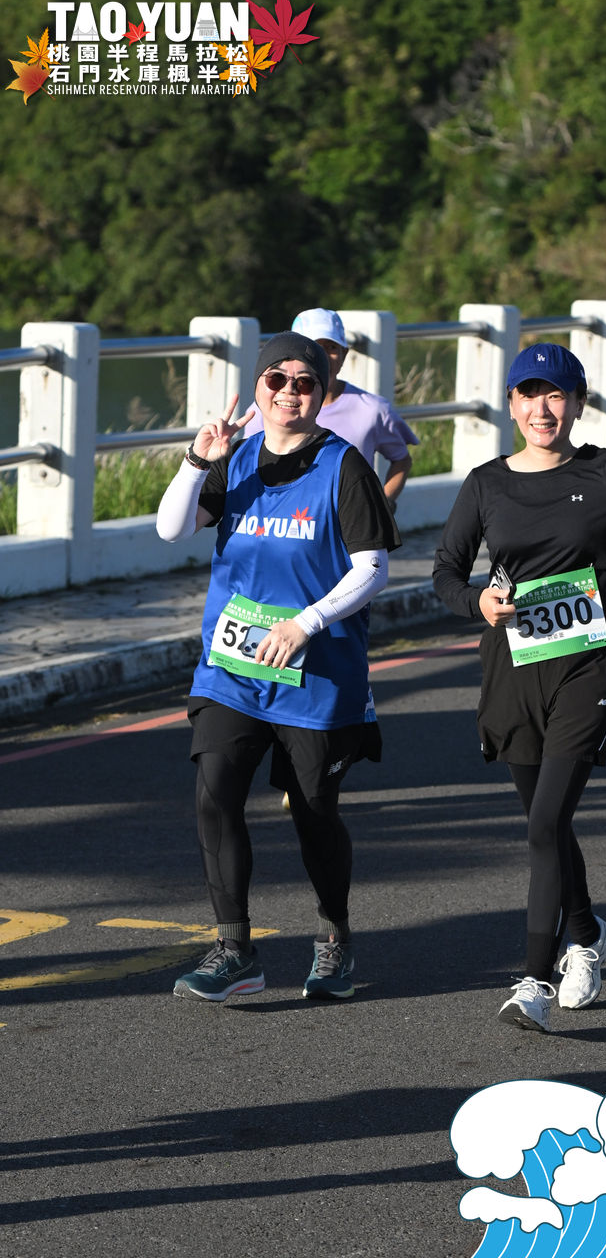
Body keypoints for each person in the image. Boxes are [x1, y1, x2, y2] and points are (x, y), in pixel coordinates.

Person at [433, 343, 606, 1033]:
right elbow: (444, 572)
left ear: (578, 404)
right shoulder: (485, 483)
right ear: (510, 405)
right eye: (529, 394)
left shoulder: (605, 471)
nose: (543, 409)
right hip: (512, 669)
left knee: (542, 824)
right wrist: (476, 602)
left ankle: (533, 980)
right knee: (549, 823)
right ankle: (587, 935)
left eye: (556, 395)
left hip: (586, 665)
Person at [156, 331, 400, 1004]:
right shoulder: (233, 460)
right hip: (232, 668)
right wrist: (195, 460)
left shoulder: (344, 466)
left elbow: (373, 568)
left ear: (321, 394)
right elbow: (171, 529)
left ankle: (334, 936)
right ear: (258, 387)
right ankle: (235, 950)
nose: (290, 392)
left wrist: (304, 624)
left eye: (305, 382)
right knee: (215, 793)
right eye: (277, 380)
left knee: (314, 813)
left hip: (317, 674)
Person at [244, 308, 419, 512]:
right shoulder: (265, 410)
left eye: (331, 347)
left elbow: (401, 459)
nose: (323, 356)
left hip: (349, 524)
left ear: (344, 354)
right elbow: (249, 468)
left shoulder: (372, 409)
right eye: (312, 348)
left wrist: (383, 504)